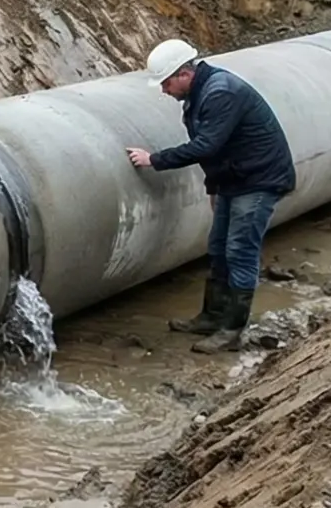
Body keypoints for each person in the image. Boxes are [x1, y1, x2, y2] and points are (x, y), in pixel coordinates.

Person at [123, 39, 297, 353]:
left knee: (239, 250)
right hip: (234, 179)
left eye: (165, 83)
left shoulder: (221, 93)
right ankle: (210, 317)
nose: (164, 90)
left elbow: (208, 146)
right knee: (218, 248)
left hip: (258, 180)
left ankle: (230, 330)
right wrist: (215, 189)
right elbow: (219, 152)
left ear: (184, 74)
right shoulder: (199, 93)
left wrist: (155, 159)